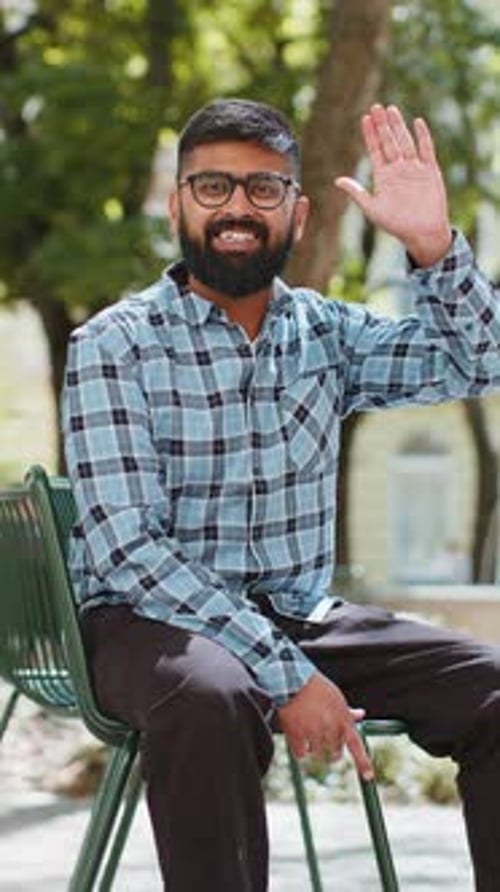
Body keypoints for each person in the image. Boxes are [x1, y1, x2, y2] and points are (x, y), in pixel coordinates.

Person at [62, 98, 500, 892]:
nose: (237, 207)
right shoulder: (112, 346)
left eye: (264, 189)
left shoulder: (325, 335)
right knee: (211, 695)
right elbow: (128, 552)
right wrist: (286, 674)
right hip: (149, 625)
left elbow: (477, 362)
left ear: (298, 215)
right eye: (214, 187)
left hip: (302, 615)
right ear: (178, 206)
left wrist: (433, 248)